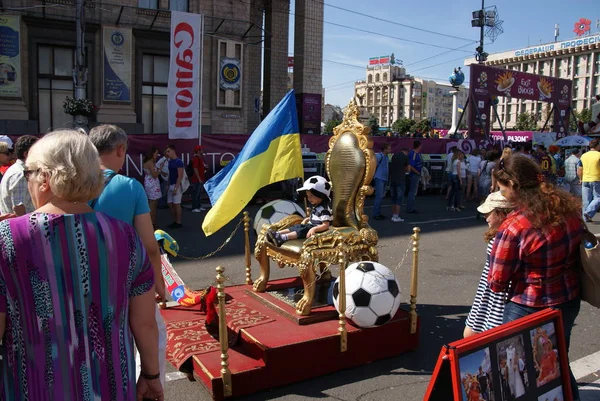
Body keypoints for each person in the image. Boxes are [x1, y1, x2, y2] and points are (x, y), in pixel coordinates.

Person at [0, 129, 163, 401]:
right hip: (111, 388)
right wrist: (151, 376)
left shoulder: (7, 239)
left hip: (32, 389)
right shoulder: (125, 237)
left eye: (29, 173)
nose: (28, 181)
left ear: (45, 178)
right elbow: (145, 323)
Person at [488, 154, 583, 401]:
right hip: (567, 297)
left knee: (517, 368)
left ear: (515, 186)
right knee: (559, 358)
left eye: (502, 188)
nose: (502, 194)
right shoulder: (567, 208)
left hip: (528, 304)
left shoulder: (515, 226)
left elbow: (497, 281)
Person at [88, 124, 167, 385]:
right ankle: (148, 382)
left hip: (83, 281)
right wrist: (158, 281)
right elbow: (149, 244)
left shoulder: (74, 184)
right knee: (150, 333)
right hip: (126, 281)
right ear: (121, 149)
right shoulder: (130, 187)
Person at [464, 191, 513, 338]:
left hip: (497, 294)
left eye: (488, 212)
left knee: (479, 338)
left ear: (500, 213)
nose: (485, 217)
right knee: (471, 335)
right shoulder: (499, 235)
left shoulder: (503, 238)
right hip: (489, 292)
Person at [266, 175, 332, 247]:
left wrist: (314, 229)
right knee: (297, 227)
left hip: (316, 229)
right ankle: (278, 233)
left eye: (311, 195)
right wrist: (307, 219)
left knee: (302, 230)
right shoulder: (317, 207)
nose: (309, 198)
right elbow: (314, 218)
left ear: (320, 195)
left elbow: (325, 225)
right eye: (308, 196)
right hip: (310, 225)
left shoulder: (324, 210)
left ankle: (283, 237)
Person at [0, 135, 38, 216]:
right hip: (21, 227)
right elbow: (19, 210)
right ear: (26, 154)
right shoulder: (21, 174)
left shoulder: (16, 170)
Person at [578, 139, 600, 222]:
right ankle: (588, 212)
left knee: (586, 199)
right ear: (597, 146)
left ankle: (585, 218)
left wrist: (580, 179)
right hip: (596, 179)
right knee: (598, 198)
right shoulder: (599, 155)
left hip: (585, 179)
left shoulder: (583, 156)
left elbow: (579, 169)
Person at [165, 144, 184, 228]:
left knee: (177, 204)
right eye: (167, 151)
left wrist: (176, 188)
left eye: (168, 151)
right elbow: (170, 174)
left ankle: (178, 222)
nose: (167, 153)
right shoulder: (170, 162)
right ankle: (174, 220)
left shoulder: (179, 162)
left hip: (177, 185)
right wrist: (168, 184)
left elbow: (180, 176)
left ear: (173, 151)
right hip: (171, 185)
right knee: (169, 203)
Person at [143, 147, 162, 227]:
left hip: (150, 183)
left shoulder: (148, 162)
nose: (157, 155)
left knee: (154, 203)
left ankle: (152, 222)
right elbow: (154, 175)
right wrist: (160, 169)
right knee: (153, 204)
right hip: (152, 184)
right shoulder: (150, 163)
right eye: (156, 153)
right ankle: (151, 223)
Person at [389, 148, 409, 222]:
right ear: (406, 152)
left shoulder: (394, 156)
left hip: (393, 179)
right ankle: (396, 216)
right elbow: (408, 169)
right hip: (400, 179)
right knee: (399, 198)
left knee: (394, 197)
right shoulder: (405, 157)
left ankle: (393, 215)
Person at [372, 143, 391, 220]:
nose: (390, 150)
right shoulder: (379, 156)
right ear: (385, 149)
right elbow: (374, 165)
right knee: (378, 196)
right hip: (379, 178)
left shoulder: (386, 157)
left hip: (384, 178)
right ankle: (376, 213)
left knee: (381, 196)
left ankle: (378, 212)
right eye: (389, 149)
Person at [406, 140, 423, 214]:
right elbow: (411, 166)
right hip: (414, 175)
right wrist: (418, 173)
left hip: (416, 174)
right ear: (419, 146)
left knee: (413, 191)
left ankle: (411, 207)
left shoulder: (417, 154)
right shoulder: (413, 154)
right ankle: (410, 208)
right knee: (412, 191)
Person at [190, 145, 207, 213]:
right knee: (196, 194)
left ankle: (199, 206)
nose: (202, 151)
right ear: (198, 151)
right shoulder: (196, 159)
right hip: (196, 180)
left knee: (199, 193)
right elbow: (195, 168)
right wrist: (199, 178)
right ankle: (194, 207)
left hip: (200, 179)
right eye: (201, 150)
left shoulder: (200, 158)